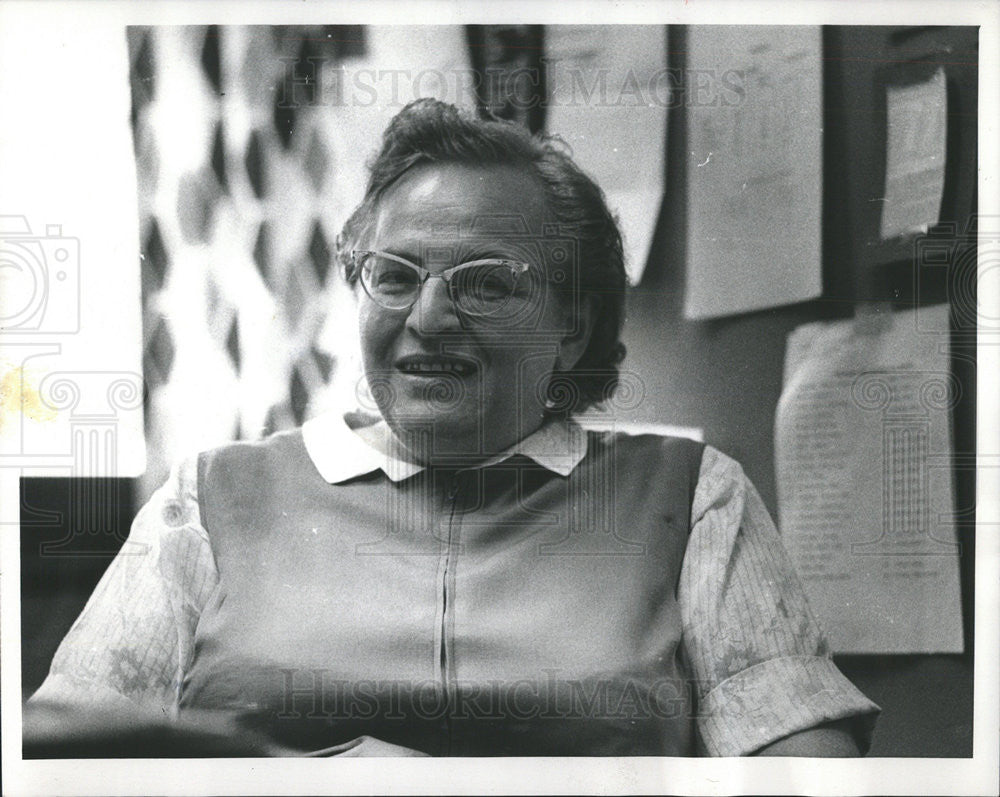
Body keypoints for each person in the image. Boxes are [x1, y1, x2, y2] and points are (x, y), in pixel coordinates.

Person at [26, 98, 879, 757]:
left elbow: (802, 760)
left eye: (485, 283)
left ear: (571, 327)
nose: (428, 318)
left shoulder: (690, 496)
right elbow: (68, 752)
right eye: (394, 276)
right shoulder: (212, 496)